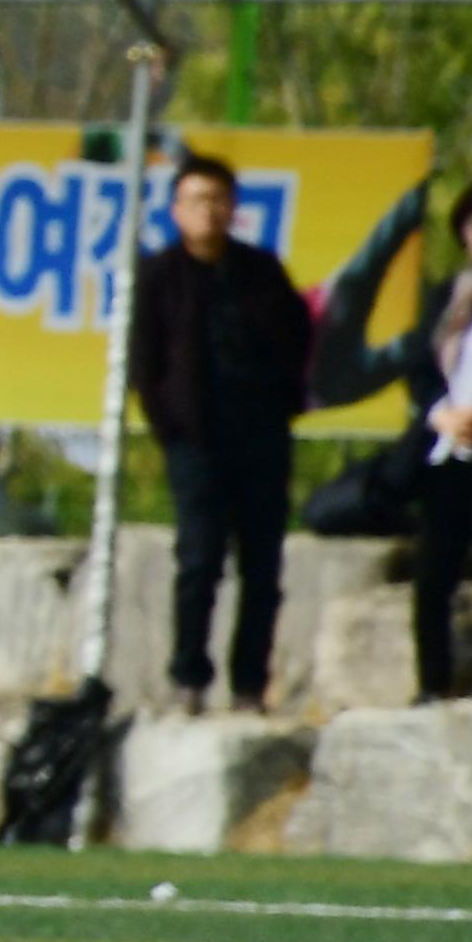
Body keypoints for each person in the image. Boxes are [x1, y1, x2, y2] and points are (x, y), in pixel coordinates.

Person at [127, 151, 314, 712]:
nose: (208, 211)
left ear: (233, 208)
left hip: (261, 438)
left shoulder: (260, 271)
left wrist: (282, 404)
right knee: (200, 562)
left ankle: (250, 685)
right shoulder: (158, 276)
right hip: (196, 442)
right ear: (176, 209)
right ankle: (189, 678)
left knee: (263, 568)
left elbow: (298, 340)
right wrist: (171, 428)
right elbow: (144, 363)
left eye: (218, 200)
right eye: (196, 200)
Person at [412, 180, 472, 698]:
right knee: (433, 574)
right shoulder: (447, 297)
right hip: (446, 451)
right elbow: (417, 367)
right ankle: (432, 685)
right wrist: (442, 414)